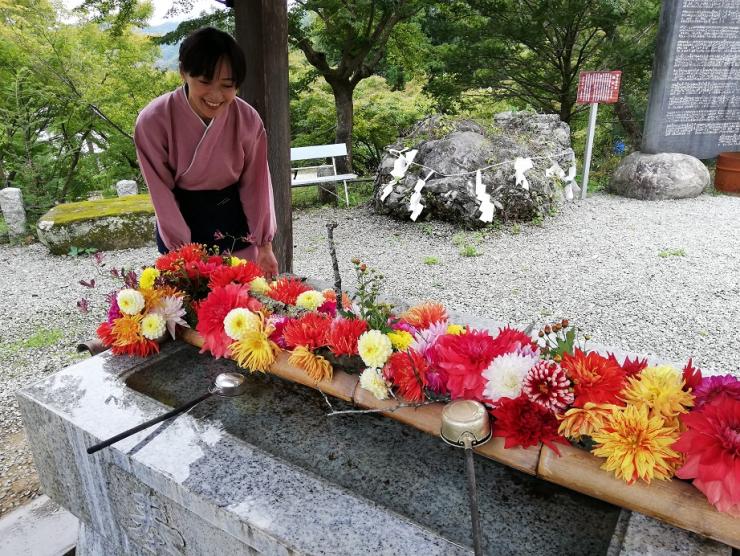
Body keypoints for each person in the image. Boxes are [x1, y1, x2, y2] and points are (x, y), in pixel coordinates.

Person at [134, 27, 278, 278]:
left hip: (234, 220)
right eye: (204, 82)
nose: (215, 95)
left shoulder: (247, 119)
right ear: (183, 72)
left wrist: (265, 245)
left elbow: (257, 185)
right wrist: (182, 254)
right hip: (180, 217)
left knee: (243, 307)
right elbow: (161, 194)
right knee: (191, 307)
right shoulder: (153, 120)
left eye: (227, 85)